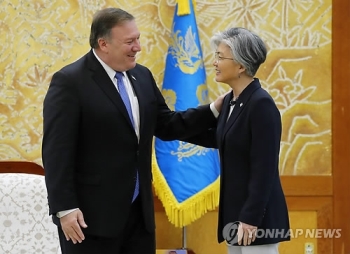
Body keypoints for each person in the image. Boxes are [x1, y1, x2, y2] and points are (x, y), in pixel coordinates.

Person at [42, 7, 224, 254]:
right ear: (103, 43)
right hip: (90, 221)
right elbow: (56, 152)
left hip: (140, 219)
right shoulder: (70, 82)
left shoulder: (141, 75)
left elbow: (167, 125)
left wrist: (214, 110)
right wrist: (65, 208)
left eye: (137, 38)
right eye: (130, 41)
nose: (138, 47)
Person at [190, 27, 290, 254]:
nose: (214, 62)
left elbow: (264, 168)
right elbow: (218, 138)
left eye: (220, 57)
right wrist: (165, 127)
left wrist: (250, 219)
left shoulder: (261, 104)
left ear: (241, 66)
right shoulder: (231, 102)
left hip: (256, 221)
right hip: (236, 216)